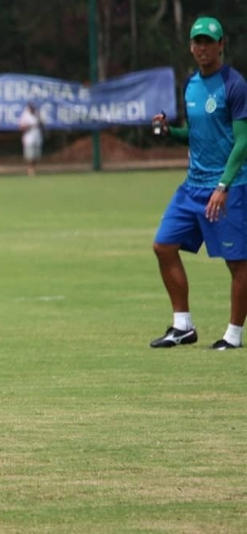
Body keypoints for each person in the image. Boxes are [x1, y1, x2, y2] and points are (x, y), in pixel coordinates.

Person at [149, 16, 247, 350]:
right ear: (191, 46)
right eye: (197, 42)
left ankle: (233, 335)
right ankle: (183, 327)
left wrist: (222, 186)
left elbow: (242, 141)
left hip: (228, 187)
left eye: (209, 41)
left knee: (238, 263)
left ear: (221, 45)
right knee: (163, 245)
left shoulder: (234, 84)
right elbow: (199, 136)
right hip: (192, 187)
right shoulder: (191, 85)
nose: (203, 47)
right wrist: (169, 132)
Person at [18, 102, 42, 177]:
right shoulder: (25, 115)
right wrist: (30, 126)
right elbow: (21, 127)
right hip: (29, 138)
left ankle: (34, 169)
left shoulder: (37, 114)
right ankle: (30, 170)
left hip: (37, 137)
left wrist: (39, 121)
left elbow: (43, 124)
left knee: (36, 155)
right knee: (29, 155)